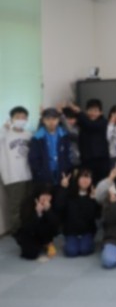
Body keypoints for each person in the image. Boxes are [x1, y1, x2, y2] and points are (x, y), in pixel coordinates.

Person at [0, 106, 33, 234]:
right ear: (11, 119)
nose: (20, 120)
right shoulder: (5, 134)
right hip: (12, 176)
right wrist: (4, 128)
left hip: (29, 175)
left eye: (23, 117)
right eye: (17, 117)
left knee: (29, 204)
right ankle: (17, 232)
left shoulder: (29, 134)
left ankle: (28, 228)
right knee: (16, 206)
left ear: (27, 119)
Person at [55, 169, 100, 257]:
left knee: (85, 250)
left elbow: (96, 215)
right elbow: (58, 207)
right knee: (71, 252)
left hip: (87, 231)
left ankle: (86, 242)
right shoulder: (69, 193)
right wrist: (63, 188)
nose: (85, 180)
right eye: (82, 177)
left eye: (88, 177)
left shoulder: (93, 194)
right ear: (77, 179)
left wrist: (93, 200)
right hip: (71, 232)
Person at [67, 100, 110, 181]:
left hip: (101, 160)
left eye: (95, 111)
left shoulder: (103, 122)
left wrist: (79, 112)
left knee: (101, 182)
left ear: (101, 112)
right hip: (86, 159)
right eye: (90, 110)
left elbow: (91, 125)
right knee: (87, 181)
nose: (93, 113)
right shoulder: (81, 122)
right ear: (86, 111)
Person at [28, 108, 72, 185]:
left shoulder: (64, 135)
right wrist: (40, 172)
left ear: (58, 120)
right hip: (44, 175)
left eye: (54, 119)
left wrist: (66, 170)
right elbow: (33, 158)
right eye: (48, 119)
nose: (51, 122)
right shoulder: (37, 137)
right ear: (43, 120)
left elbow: (67, 154)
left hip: (62, 174)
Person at [14, 187, 59, 260]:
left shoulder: (52, 203)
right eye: (43, 194)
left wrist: (48, 211)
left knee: (49, 223)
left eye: (49, 195)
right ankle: (40, 244)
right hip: (30, 233)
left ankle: (47, 242)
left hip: (44, 234)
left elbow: (56, 226)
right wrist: (38, 213)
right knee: (31, 254)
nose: (46, 198)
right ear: (38, 195)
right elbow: (27, 227)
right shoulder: (27, 204)